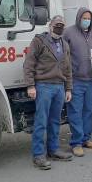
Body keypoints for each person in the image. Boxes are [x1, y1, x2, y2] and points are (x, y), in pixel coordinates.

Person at [24, 15, 73, 170]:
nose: (59, 27)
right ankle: (38, 155)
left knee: (55, 121)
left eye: (62, 25)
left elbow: (68, 69)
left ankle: (53, 150)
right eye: (57, 24)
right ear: (50, 26)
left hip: (59, 87)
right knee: (41, 121)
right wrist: (30, 86)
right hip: (43, 86)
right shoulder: (39, 41)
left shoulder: (65, 44)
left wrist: (68, 88)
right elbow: (29, 63)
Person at [63, 7, 92, 157]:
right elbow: (63, 55)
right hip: (76, 79)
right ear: (79, 18)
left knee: (89, 110)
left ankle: (86, 139)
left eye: (89, 18)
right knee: (75, 111)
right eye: (84, 18)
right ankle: (76, 143)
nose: (87, 20)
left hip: (91, 80)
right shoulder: (69, 32)